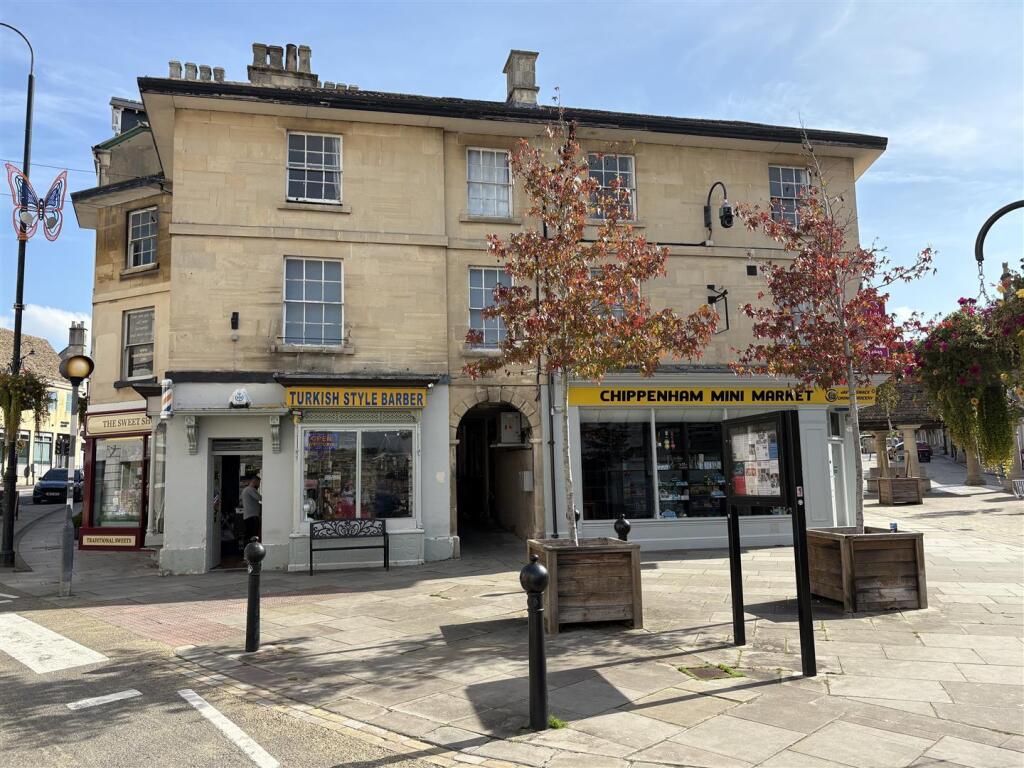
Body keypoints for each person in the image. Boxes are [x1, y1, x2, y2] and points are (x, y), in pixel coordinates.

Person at [241, 475, 262, 543]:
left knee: (249, 534)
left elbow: (253, 502)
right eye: (259, 482)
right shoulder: (250, 489)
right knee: (253, 535)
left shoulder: (246, 489)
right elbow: (259, 498)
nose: (259, 485)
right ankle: (251, 550)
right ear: (255, 481)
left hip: (248, 516)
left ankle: (248, 550)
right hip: (252, 516)